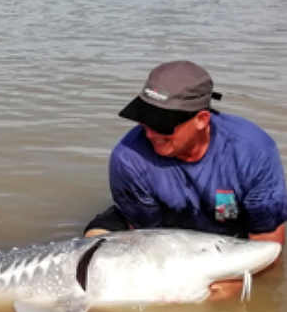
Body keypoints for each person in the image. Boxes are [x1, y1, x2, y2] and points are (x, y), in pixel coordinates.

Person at [85, 60, 287, 299]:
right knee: (92, 244)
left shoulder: (253, 152)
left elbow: (267, 244)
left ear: (202, 119)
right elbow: (146, 241)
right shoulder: (128, 157)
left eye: (162, 124)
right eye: (144, 119)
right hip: (160, 228)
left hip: (230, 229)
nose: (150, 133)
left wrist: (239, 285)